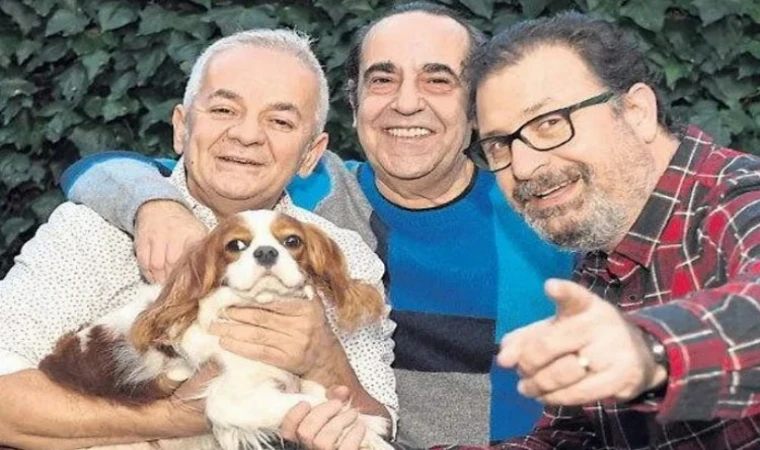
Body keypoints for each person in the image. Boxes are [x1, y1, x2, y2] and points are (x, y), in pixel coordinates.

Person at [59, 2, 574, 447]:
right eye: (382, 80)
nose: (406, 102)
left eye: (438, 80)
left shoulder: (538, 215)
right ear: (354, 104)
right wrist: (154, 204)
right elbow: (105, 169)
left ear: (477, 107)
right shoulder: (309, 194)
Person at [0, 29, 397, 450]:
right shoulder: (93, 231)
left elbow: (383, 421)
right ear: (181, 127)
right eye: (224, 109)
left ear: (311, 154)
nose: (247, 134)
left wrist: (325, 360)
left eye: (280, 121)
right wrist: (173, 418)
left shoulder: (344, 254)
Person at [457, 11, 760, 448]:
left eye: (549, 123)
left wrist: (650, 351)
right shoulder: (601, 265)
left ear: (636, 111)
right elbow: (575, 439)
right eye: (499, 145)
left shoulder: (737, 198)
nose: (522, 166)